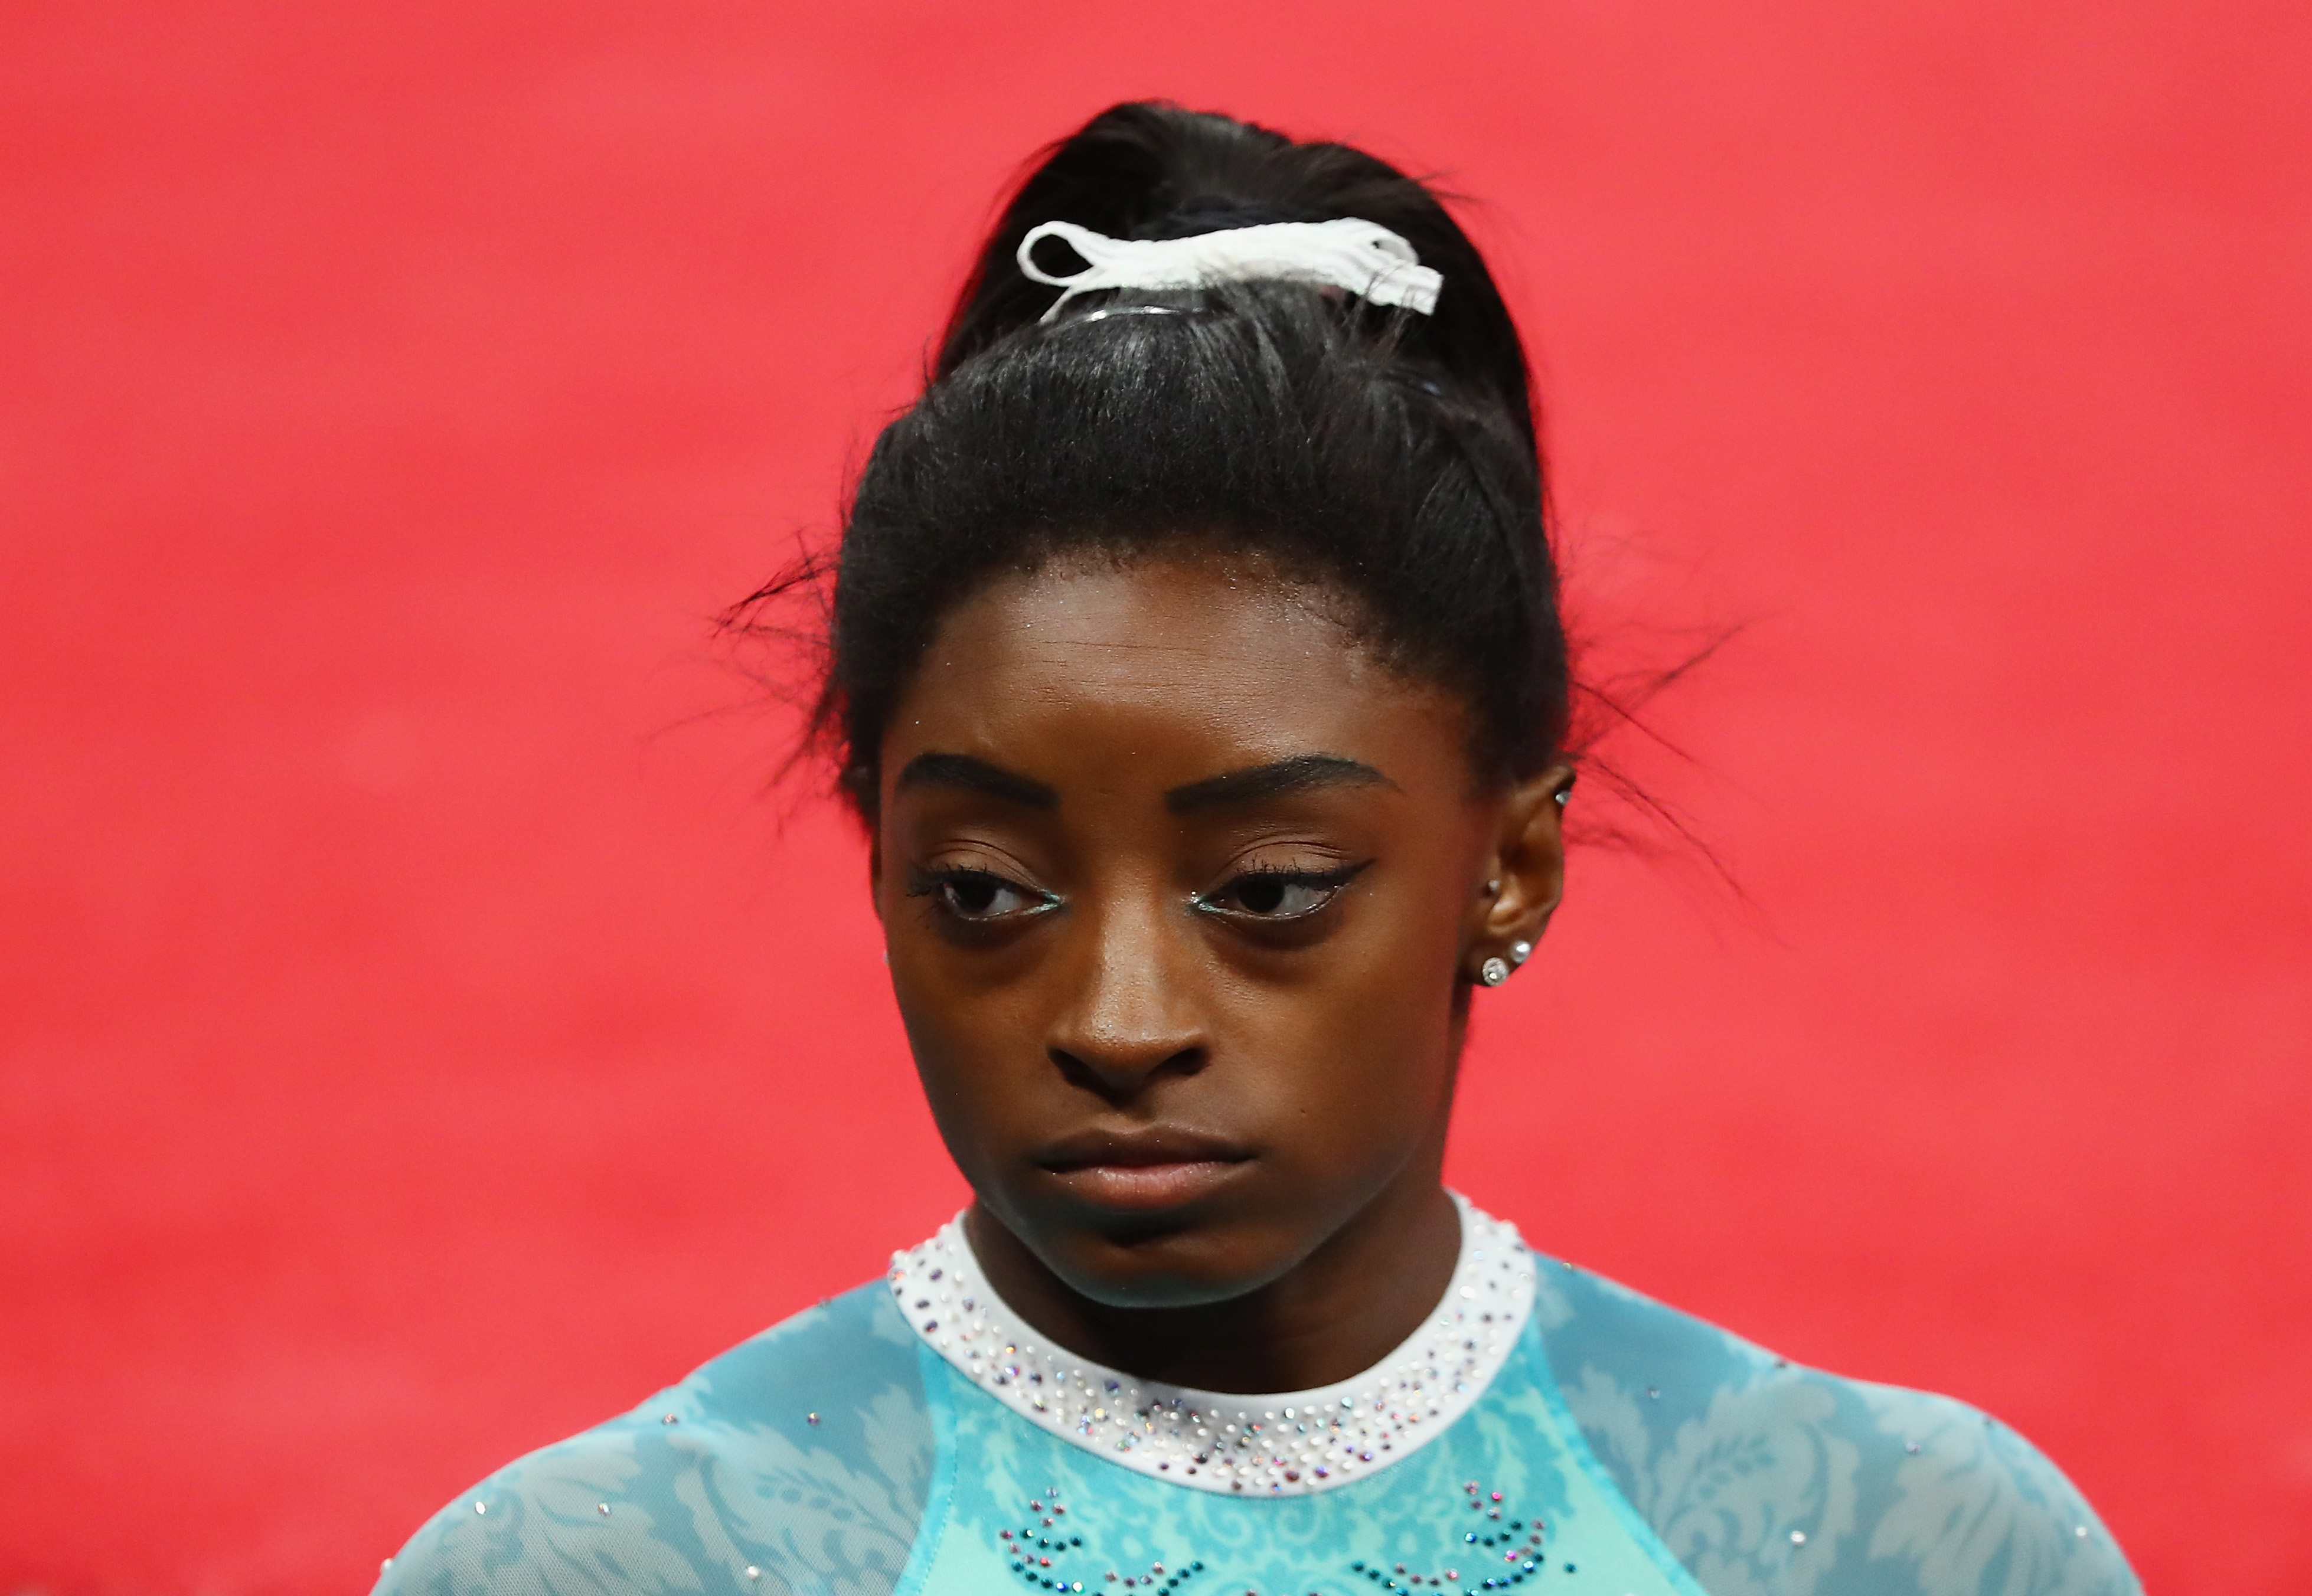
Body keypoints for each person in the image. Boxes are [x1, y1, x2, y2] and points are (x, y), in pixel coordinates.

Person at [378, 102, 2141, 1596]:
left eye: (1270, 891)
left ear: (1513, 861)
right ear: (880, 863)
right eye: (987, 890)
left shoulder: (1902, 1548)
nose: (1119, 1019)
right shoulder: (604, 1566)